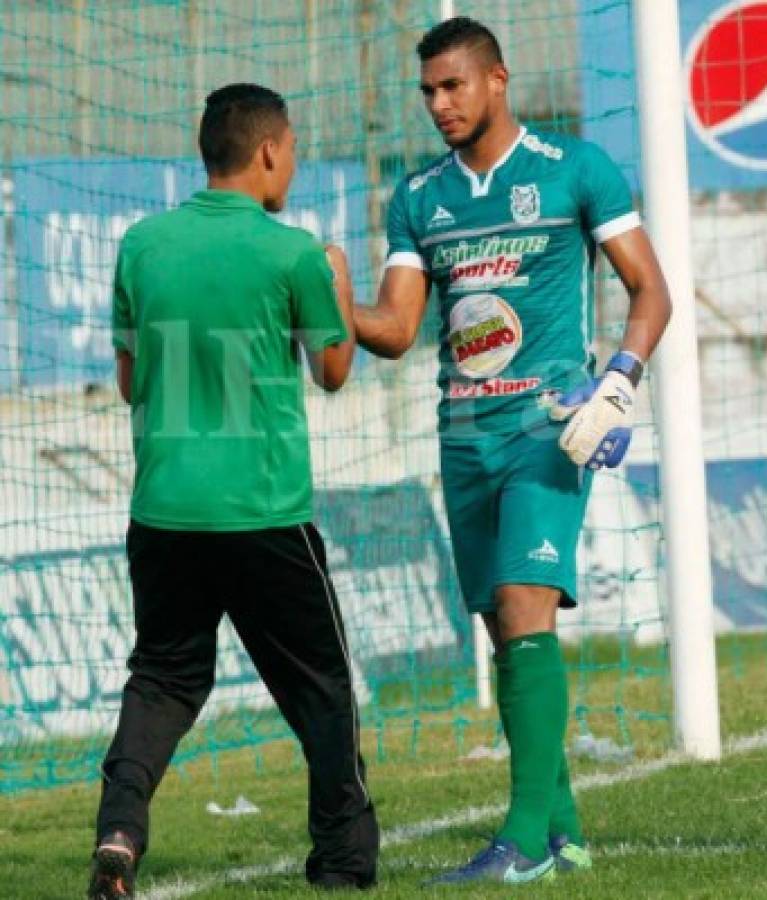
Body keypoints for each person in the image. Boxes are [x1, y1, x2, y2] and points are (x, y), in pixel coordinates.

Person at [353, 16, 671, 886]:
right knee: (503, 629)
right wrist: (326, 294)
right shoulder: (417, 198)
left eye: (452, 86)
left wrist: (617, 383)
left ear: (497, 79)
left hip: (546, 432)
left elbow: (650, 290)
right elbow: (396, 328)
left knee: (524, 609)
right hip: (463, 439)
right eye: (426, 92)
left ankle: (522, 837)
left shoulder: (574, 170)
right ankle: (562, 833)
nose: (438, 105)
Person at [88, 83, 379, 898]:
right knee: (322, 691)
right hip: (263, 515)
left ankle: (118, 831)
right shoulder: (293, 252)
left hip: (164, 512)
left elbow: (127, 380)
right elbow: (333, 370)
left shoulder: (142, 244)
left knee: (163, 680)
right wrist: (340, 276)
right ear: (267, 152)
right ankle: (344, 864)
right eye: (292, 147)